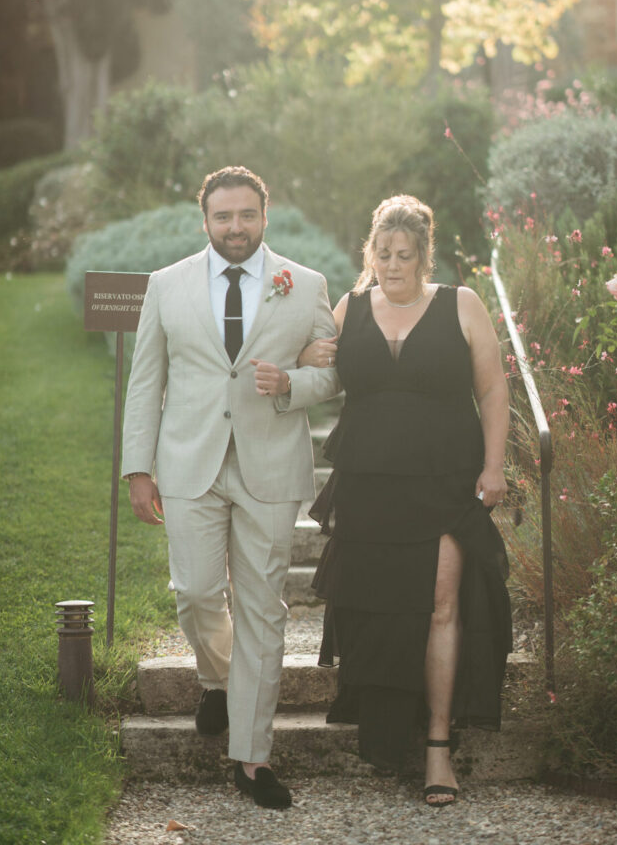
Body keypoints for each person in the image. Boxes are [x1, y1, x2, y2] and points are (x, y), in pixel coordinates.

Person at [122, 166, 340, 809]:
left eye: (247, 215)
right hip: (189, 464)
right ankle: (218, 679)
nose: (235, 227)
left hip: (270, 466)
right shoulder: (167, 285)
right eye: (224, 216)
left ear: (264, 216)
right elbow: (146, 381)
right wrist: (138, 468)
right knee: (195, 592)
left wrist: (291, 384)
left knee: (262, 610)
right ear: (206, 221)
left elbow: (334, 373)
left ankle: (252, 757)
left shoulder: (306, 284)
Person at [299, 194, 512, 807]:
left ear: (424, 255)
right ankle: (387, 734)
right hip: (368, 485)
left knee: (441, 604)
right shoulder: (349, 308)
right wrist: (306, 355)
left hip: (445, 482)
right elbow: (319, 371)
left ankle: (438, 748)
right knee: (377, 606)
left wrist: (494, 465)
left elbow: (493, 389)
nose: (393, 265)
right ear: (371, 253)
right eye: (383, 253)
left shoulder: (461, 305)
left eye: (404, 254)